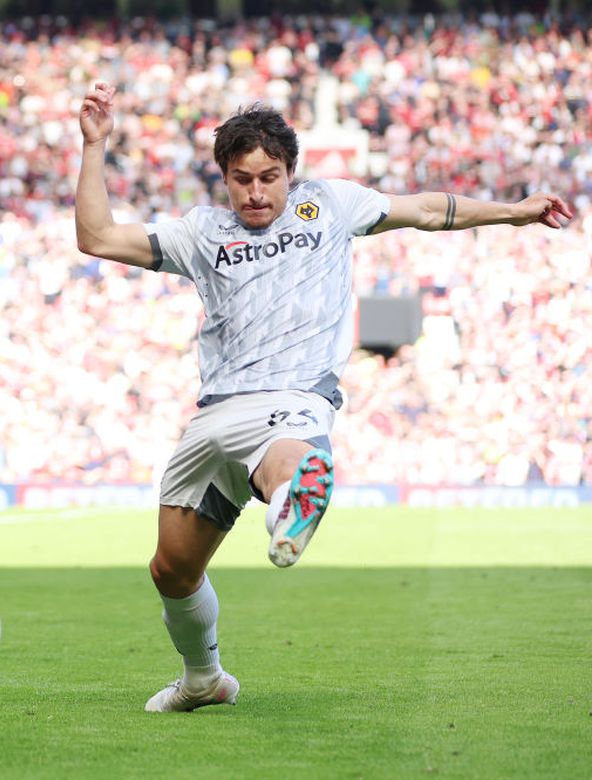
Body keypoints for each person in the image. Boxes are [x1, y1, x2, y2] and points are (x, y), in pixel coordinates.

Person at [74, 83, 573, 713]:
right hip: (215, 413)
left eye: (269, 177)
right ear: (224, 178)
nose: (257, 193)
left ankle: (295, 496)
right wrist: (94, 146)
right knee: (170, 570)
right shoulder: (200, 233)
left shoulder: (331, 206)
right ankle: (204, 679)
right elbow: (95, 237)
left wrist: (512, 211)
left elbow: (423, 210)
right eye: (242, 179)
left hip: (293, 396)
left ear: (291, 173)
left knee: (288, 457)